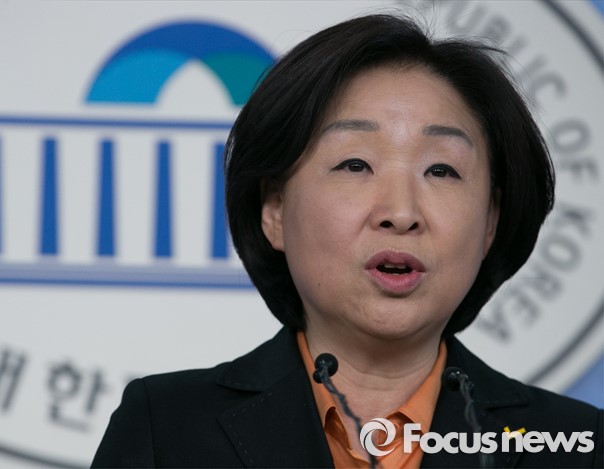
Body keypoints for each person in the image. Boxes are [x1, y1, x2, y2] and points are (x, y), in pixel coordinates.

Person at [92, 13, 603, 468]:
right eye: (355, 164)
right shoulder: (167, 428)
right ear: (274, 210)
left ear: (490, 221)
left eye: (441, 170)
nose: (400, 213)